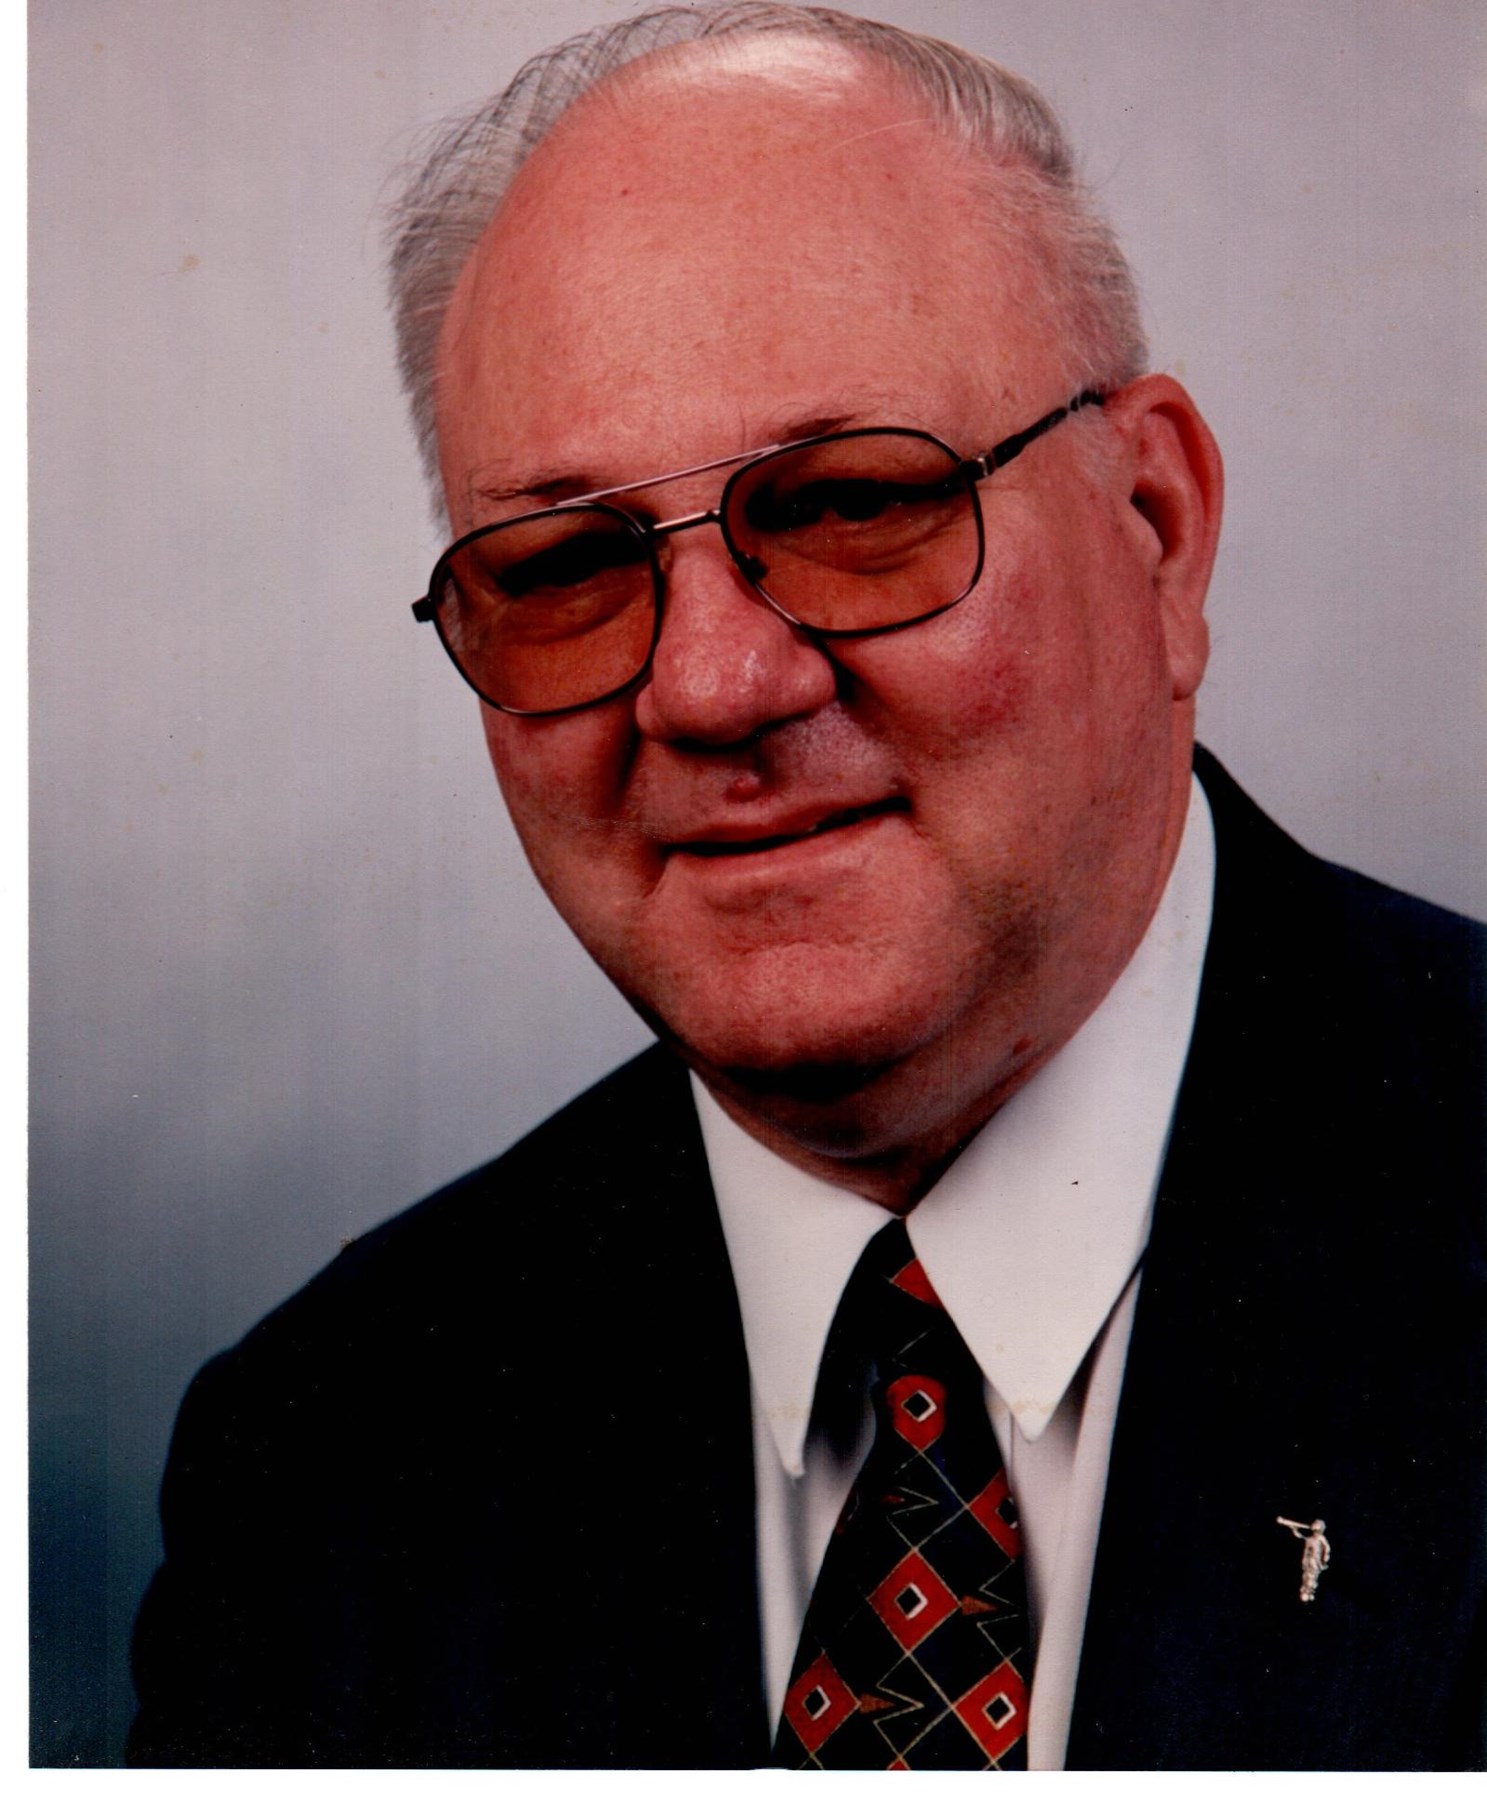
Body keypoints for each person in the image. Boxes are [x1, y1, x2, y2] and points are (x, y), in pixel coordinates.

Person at [127, 1, 1485, 1771]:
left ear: (1155, 526)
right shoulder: (326, 1466)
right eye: (565, 563)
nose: (711, 687)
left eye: (850, 504)